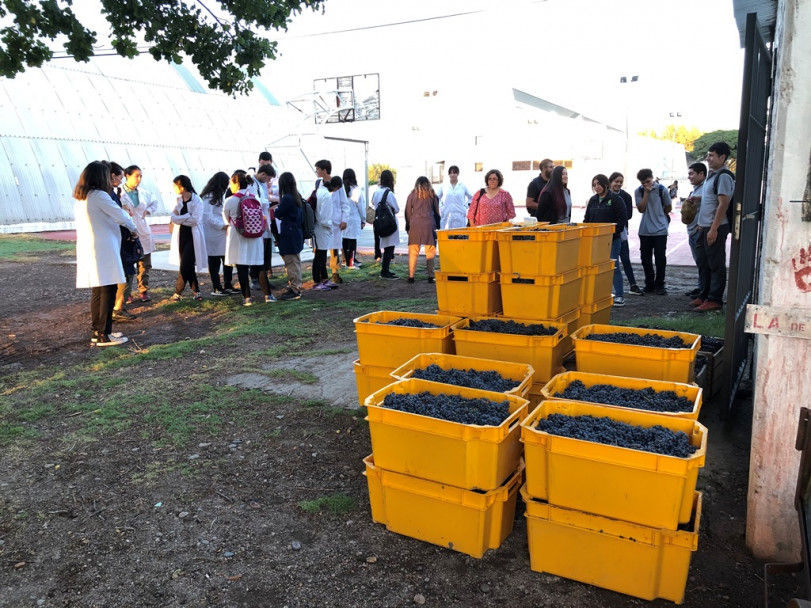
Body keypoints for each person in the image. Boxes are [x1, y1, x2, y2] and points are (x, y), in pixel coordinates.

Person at [74, 160, 137, 347]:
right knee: (108, 288)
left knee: (99, 289)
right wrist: (133, 228)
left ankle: (98, 331)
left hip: (91, 246)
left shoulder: (82, 196)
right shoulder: (99, 195)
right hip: (103, 246)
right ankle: (104, 334)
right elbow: (120, 215)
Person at [692, 143, 734, 312]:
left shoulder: (723, 176)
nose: (707, 159)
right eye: (708, 155)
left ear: (722, 157)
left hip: (715, 227)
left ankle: (715, 299)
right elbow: (711, 199)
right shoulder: (712, 175)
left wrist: (714, 229)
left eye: (711, 155)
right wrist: (698, 200)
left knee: (715, 264)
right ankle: (704, 295)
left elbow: (723, 203)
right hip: (704, 227)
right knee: (704, 262)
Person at [223, 171, 274, 305]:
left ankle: (247, 298)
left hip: (238, 234)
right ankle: (268, 295)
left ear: (237, 183)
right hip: (255, 235)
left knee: (242, 267)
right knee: (259, 266)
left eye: (231, 183)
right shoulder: (255, 198)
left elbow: (226, 220)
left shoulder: (230, 200)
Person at [585, 174, 628, 307]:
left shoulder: (616, 199)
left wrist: (613, 233)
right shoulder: (592, 200)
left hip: (612, 240)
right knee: (597, 268)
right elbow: (587, 219)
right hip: (596, 241)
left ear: (605, 184)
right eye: (594, 185)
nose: (596, 187)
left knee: (614, 266)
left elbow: (622, 219)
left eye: (598, 184)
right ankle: (601, 294)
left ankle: (619, 295)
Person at [120, 165, 158, 303]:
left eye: (141, 176)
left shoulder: (144, 193)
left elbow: (154, 203)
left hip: (143, 230)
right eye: (136, 176)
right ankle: (127, 292)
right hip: (127, 232)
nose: (139, 179)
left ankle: (143, 290)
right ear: (127, 176)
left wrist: (148, 211)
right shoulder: (119, 193)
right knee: (127, 262)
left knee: (144, 263)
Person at [169, 175, 208, 302]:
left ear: (182, 186)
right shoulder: (178, 200)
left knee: (185, 263)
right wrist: (186, 216)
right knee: (188, 264)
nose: (174, 188)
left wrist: (180, 219)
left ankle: (178, 292)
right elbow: (173, 218)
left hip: (192, 236)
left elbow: (195, 220)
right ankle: (196, 292)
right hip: (181, 236)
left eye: (175, 185)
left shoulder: (197, 201)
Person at [634, 167, 672, 295]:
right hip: (645, 229)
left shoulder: (662, 190)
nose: (646, 184)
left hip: (660, 229)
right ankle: (649, 283)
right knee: (645, 258)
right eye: (643, 183)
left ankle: (660, 284)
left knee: (660, 258)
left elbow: (668, 206)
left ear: (652, 178)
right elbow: (641, 209)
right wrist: (646, 193)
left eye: (648, 181)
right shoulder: (639, 191)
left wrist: (661, 216)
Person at [109, 162, 139, 323]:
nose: (121, 181)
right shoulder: (107, 195)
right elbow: (120, 217)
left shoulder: (111, 194)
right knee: (127, 272)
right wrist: (132, 229)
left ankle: (117, 306)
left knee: (127, 272)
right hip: (119, 239)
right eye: (120, 177)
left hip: (119, 238)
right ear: (113, 176)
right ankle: (117, 307)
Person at [200, 171, 236, 296]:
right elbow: (207, 216)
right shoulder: (209, 197)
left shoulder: (219, 195)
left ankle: (228, 284)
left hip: (222, 232)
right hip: (214, 233)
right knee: (214, 260)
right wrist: (222, 225)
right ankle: (216, 287)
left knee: (227, 259)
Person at [608, 172, 643, 295]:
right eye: (616, 181)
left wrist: (616, 219)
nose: (618, 184)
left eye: (620, 182)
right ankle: (610, 288)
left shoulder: (626, 196)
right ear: (610, 182)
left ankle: (633, 285)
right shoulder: (604, 195)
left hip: (621, 231)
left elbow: (628, 215)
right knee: (611, 261)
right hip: (606, 234)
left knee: (625, 259)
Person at [275, 171, 305, 301]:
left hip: (289, 234)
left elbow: (278, 213)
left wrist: (277, 209)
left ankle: (294, 289)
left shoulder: (287, 198)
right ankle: (296, 286)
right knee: (296, 261)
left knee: (290, 262)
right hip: (297, 232)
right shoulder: (296, 196)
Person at [404, 176, 441, 283]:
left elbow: (407, 211)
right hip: (429, 224)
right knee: (430, 252)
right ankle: (430, 276)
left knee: (413, 251)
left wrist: (408, 225)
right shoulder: (432, 195)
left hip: (415, 225)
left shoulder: (412, 195)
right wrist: (438, 226)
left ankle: (411, 276)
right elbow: (437, 213)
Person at [249, 163, 276, 288]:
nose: (268, 181)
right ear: (263, 174)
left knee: (265, 252)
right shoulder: (251, 183)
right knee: (257, 252)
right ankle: (254, 278)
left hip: (264, 221)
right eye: (268, 178)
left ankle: (263, 278)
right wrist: (270, 201)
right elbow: (255, 199)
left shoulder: (261, 183)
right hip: (257, 221)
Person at [683, 163, 707, 298]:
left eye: (692, 173)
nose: (689, 177)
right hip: (692, 230)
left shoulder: (705, 188)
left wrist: (701, 225)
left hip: (699, 230)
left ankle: (704, 291)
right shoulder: (695, 189)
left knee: (703, 262)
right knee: (699, 262)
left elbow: (711, 203)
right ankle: (700, 287)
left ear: (701, 174)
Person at [372, 169, 400, 279]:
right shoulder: (389, 193)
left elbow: (374, 204)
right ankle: (385, 271)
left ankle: (385, 270)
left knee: (385, 246)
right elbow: (396, 209)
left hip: (380, 222)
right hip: (389, 223)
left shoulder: (376, 192)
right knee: (389, 248)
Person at [310, 173, 334, 291]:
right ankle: (317, 281)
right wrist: (330, 226)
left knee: (321, 255)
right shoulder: (326, 195)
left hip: (317, 228)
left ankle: (324, 278)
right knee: (320, 256)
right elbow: (325, 217)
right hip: (322, 228)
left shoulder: (318, 192)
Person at [342, 168, 365, 270]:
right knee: (352, 241)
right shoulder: (356, 190)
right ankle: (350, 263)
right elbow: (361, 206)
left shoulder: (341, 189)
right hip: (353, 218)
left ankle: (347, 261)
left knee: (345, 240)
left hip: (343, 218)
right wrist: (363, 219)